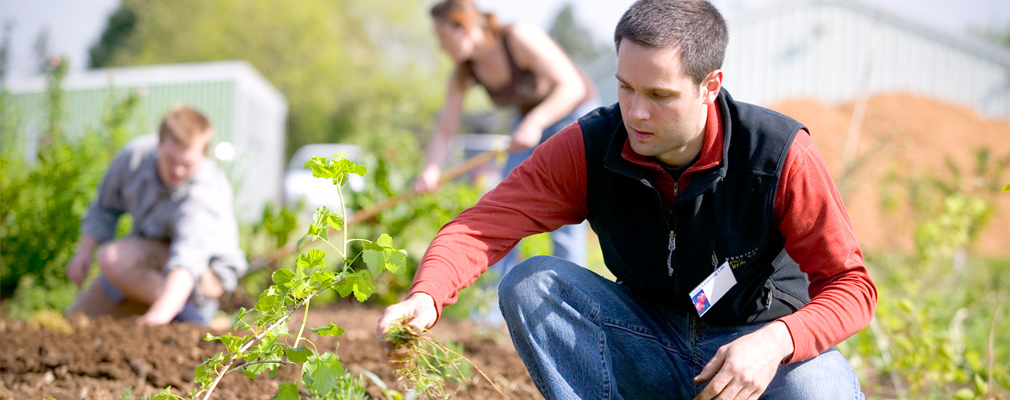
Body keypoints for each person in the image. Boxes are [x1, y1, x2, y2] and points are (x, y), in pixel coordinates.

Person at [379, 0, 877, 398]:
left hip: (750, 354)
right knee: (532, 283)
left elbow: (852, 286)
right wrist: (426, 293)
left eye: (659, 96)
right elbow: (483, 225)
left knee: (821, 386)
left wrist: (777, 341)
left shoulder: (776, 153)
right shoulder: (592, 146)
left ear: (710, 86)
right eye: (624, 88)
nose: (636, 113)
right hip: (646, 341)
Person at [415, 0, 599, 325]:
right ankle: (488, 313)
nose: (441, 47)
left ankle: (574, 313)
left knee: (570, 218)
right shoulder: (464, 72)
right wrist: (431, 169)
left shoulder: (519, 37)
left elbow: (571, 86)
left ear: (466, 26)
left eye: (444, 37)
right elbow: (445, 129)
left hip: (573, 115)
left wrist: (537, 121)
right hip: (529, 123)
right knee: (502, 207)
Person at [65, 104, 247, 326]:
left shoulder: (203, 192)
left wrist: (157, 318)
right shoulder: (134, 159)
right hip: (146, 267)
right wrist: (83, 252)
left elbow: (186, 262)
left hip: (202, 275)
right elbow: (105, 208)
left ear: (202, 155)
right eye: (171, 160)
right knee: (76, 320)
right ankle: (177, 312)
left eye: (186, 164)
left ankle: (190, 316)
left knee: (114, 258)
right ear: (159, 143)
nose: (177, 171)